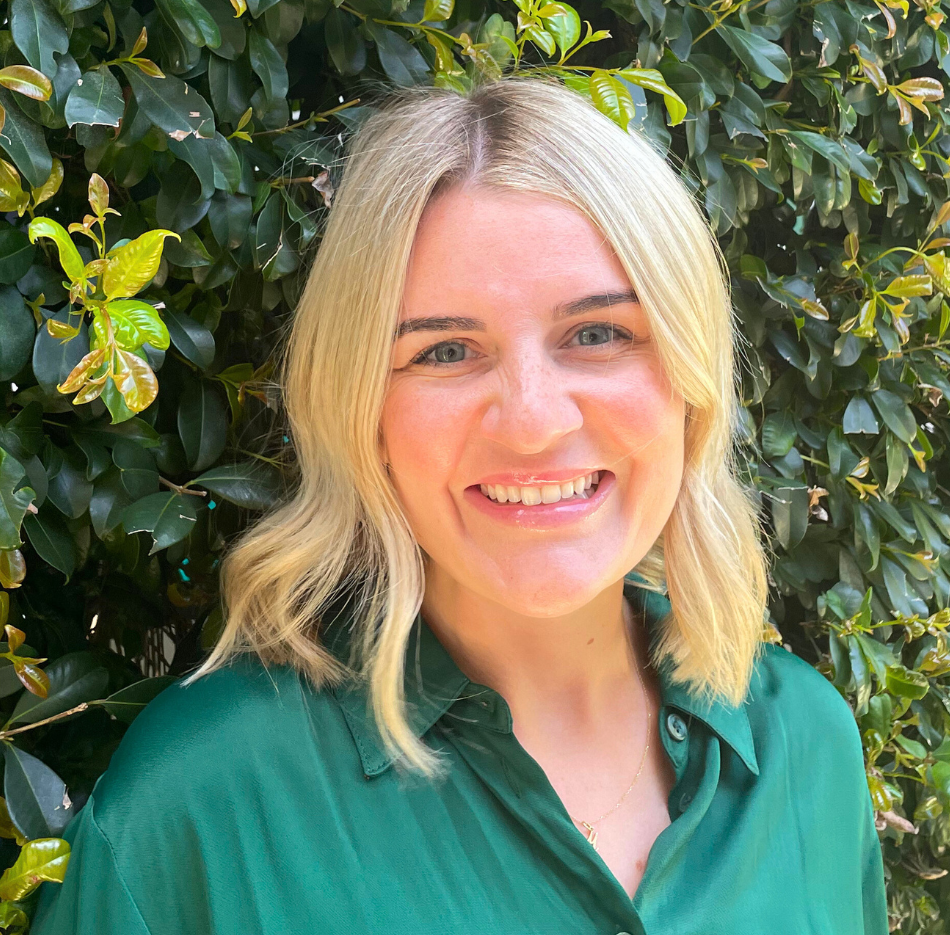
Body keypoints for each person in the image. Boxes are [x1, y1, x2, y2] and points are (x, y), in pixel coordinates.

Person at [33, 77, 890, 934]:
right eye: (445, 350)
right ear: (364, 413)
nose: (532, 422)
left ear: (692, 385)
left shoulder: (807, 744)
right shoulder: (200, 802)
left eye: (598, 334)